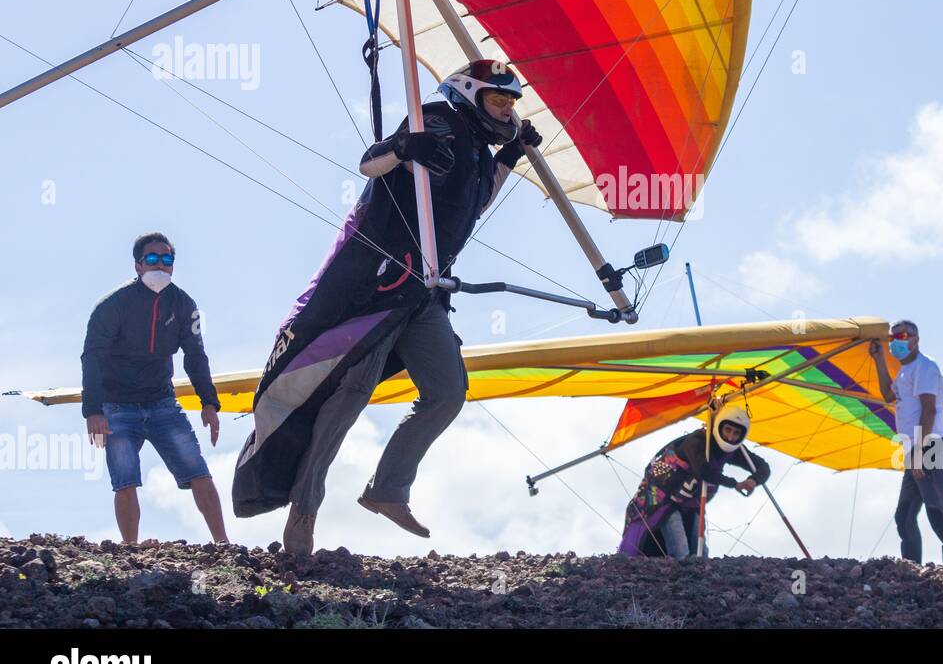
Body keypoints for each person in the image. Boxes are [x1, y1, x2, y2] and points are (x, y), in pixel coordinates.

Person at [232, 60, 542, 555]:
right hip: (381, 287)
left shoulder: (480, 151)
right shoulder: (435, 118)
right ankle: (303, 513)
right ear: (468, 95)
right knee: (346, 401)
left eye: (509, 103)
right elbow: (369, 163)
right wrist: (403, 148)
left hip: (424, 293)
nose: (505, 109)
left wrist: (511, 155)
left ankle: (387, 490)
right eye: (497, 100)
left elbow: (477, 201)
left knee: (447, 392)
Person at [82, 233, 228, 544]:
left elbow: (195, 356)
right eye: (152, 259)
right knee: (125, 480)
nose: (160, 265)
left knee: (199, 471)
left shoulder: (184, 304)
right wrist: (93, 411)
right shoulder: (112, 306)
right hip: (117, 406)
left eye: (167, 259)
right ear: (137, 265)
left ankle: (224, 546)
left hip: (163, 404)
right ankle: (131, 550)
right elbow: (92, 358)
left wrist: (209, 402)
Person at [869, 319, 943, 565]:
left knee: (939, 511)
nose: (896, 342)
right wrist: (879, 360)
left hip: (929, 446)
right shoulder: (903, 373)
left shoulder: (926, 367)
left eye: (902, 336)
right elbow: (888, 395)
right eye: (893, 338)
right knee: (905, 515)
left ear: (915, 340)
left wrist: (921, 451)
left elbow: (929, 410)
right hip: (914, 451)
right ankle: (911, 570)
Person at [618, 406, 770, 558]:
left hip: (690, 502)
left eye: (736, 433)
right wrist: (734, 483)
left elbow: (763, 467)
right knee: (681, 550)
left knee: (700, 553)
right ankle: (674, 577)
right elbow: (703, 470)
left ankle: (696, 577)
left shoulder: (735, 451)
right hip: (664, 500)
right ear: (719, 427)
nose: (730, 437)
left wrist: (753, 480)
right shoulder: (698, 440)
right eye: (728, 430)